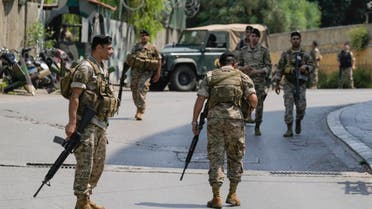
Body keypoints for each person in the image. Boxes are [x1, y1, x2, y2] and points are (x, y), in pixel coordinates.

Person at [192, 52, 258, 208]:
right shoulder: (242, 76)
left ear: (219, 64)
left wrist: (194, 121)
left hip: (215, 120)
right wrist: (247, 110)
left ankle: (216, 197)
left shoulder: (210, 76)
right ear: (234, 64)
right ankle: (233, 194)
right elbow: (254, 100)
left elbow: (200, 99)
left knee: (216, 156)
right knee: (235, 155)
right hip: (235, 120)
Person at [65, 35, 116, 209]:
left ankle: (86, 198)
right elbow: (75, 96)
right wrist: (72, 123)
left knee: (98, 164)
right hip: (85, 125)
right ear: (98, 48)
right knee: (85, 164)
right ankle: (81, 201)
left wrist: (105, 129)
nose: (111, 51)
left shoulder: (102, 68)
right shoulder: (86, 67)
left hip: (100, 125)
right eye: (108, 48)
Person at [273, 31, 314, 137]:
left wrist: (306, 67)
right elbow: (280, 68)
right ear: (290, 40)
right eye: (293, 39)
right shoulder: (286, 54)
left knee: (301, 108)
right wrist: (277, 83)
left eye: (297, 38)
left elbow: (312, 66)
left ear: (300, 40)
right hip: (289, 83)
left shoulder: (305, 54)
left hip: (300, 84)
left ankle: (298, 120)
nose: (295, 40)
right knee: (288, 106)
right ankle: (289, 129)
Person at [237, 28, 272, 136]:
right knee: (243, 104)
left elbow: (268, 67)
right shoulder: (243, 51)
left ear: (258, 38)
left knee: (259, 105)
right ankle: (242, 124)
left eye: (256, 36)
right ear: (249, 37)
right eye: (252, 36)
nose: (254, 38)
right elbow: (237, 66)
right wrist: (244, 68)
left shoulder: (264, 51)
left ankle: (257, 126)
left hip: (259, 82)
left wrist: (257, 71)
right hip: (246, 83)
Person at [127, 29, 162, 120]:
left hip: (146, 72)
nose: (143, 37)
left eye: (145, 35)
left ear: (148, 36)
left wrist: (158, 73)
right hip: (135, 71)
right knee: (134, 89)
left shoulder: (153, 47)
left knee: (141, 87)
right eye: (142, 35)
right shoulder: (136, 47)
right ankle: (138, 107)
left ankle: (140, 110)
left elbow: (159, 60)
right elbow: (130, 58)